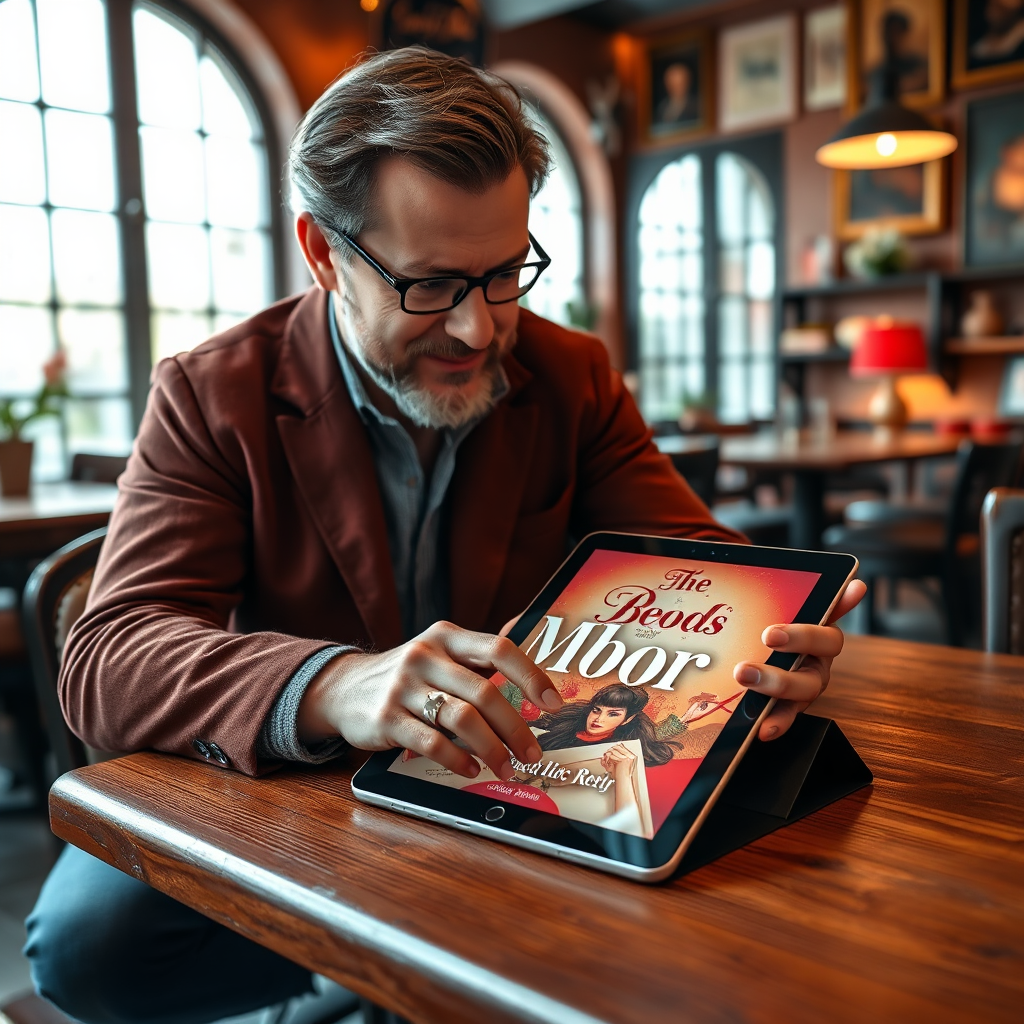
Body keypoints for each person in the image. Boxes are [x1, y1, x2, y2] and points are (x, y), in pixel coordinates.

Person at [24, 46, 865, 1024]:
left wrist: (771, 636)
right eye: (430, 285)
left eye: (504, 273)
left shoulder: (571, 372)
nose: (477, 328)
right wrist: (337, 684)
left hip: (517, 783)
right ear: (323, 250)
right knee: (88, 951)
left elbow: (704, 568)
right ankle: (365, 977)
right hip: (303, 797)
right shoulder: (214, 393)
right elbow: (108, 658)